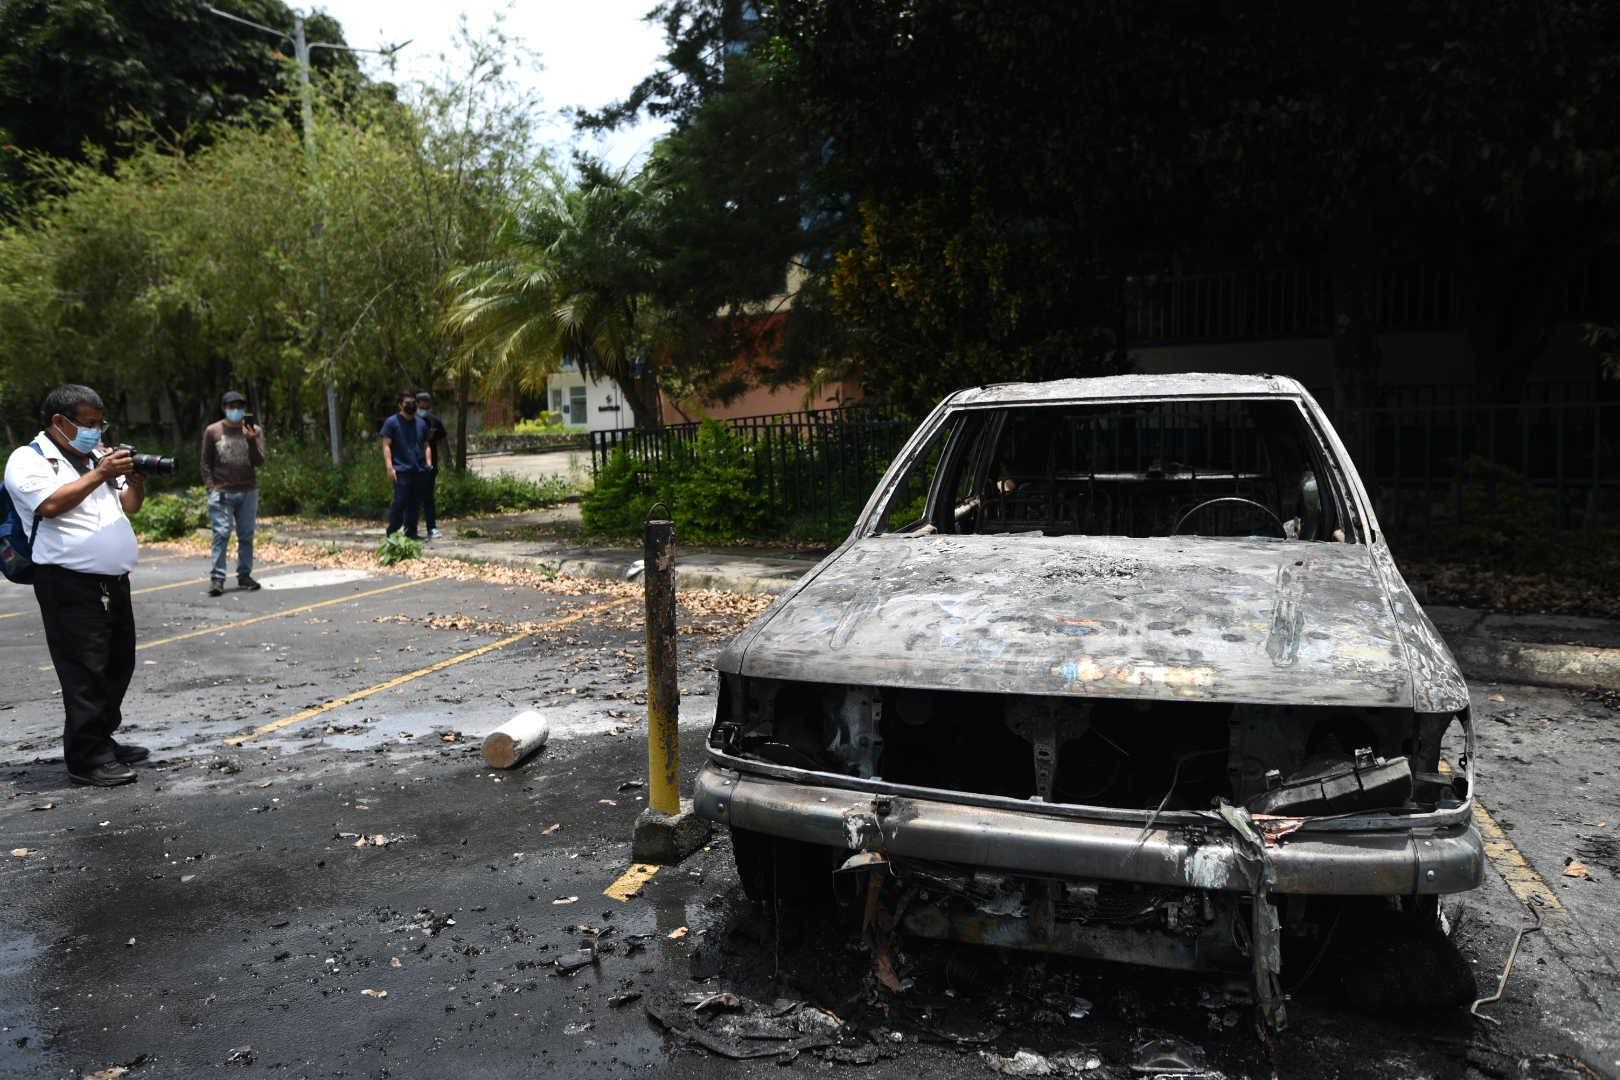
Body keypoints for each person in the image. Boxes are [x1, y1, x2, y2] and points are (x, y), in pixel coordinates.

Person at [2, 384, 148, 787]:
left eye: (101, 424)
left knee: (118, 664)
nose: (97, 433)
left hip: (112, 580)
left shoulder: (96, 457)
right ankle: (87, 759)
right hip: (67, 583)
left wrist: (134, 478)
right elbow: (49, 505)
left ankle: (102, 739)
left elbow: (131, 505)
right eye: (88, 424)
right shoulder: (29, 460)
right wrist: (101, 472)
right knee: (85, 670)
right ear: (59, 422)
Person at [200, 390, 266, 596]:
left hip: (248, 490)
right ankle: (217, 578)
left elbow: (259, 461)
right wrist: (211, 487)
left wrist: (251, 440)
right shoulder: (213, 431)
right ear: (224, 408)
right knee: (221, 534)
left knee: (246, 535)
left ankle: (244, 575)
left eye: (239, 407)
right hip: (222, 492)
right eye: (231, 407)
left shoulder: (254, 430)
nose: (236, 411)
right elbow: (205, 462)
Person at [380, 390, 432, 540]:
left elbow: (426, 445)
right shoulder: (392, 422)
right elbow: (386, 445)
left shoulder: (421, 424)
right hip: (401, 469)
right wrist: (390, 467)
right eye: (407, 403)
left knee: (415, 503)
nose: (411, 406)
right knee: (400, 501)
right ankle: (393, 531)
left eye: (413, 403)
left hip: (419, 469)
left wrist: (428, 463)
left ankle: (411, 532)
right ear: (400, 405)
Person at [415, 389, 448, 540]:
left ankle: (431, 528)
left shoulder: (435, 422)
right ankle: (410, 529)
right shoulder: (411, 421)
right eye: (422, 407)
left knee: (428, 497)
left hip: (430, 466)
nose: (425, 410)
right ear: (417, 404)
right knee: (411, 498)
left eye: (427, 407)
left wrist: (443, 462)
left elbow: (441, 443)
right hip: (412, 464)